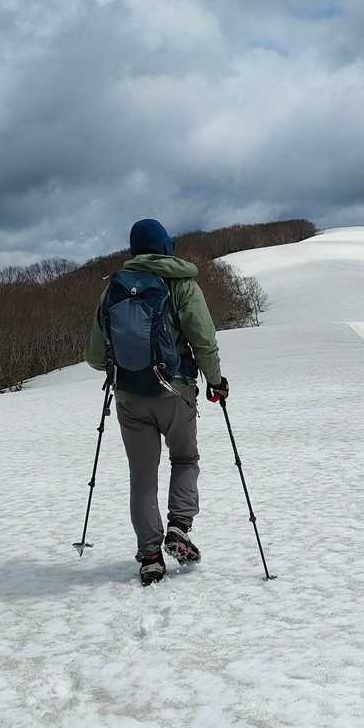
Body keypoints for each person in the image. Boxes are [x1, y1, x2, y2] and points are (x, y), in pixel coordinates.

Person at [86, 218, 230, 585]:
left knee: (142, 475)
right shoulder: (182, 284)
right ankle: (179, 526)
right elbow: (204, 341)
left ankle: (150, 556)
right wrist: (215, 382)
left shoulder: (114, 288)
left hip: (130, 397)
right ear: (167, 246)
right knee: (184, 458)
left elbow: (94, 357)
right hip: (175, 391)